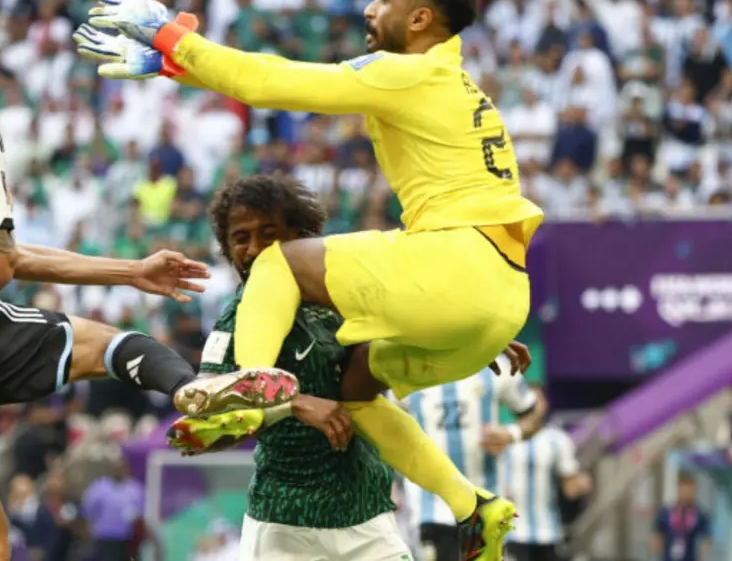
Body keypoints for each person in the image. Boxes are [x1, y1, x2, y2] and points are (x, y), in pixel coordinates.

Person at [76, 0, 544, 557]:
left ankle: (249, 381)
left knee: (279, 266)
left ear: (420, 18)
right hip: (494, 297)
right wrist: (176, 67)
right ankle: (473, 506)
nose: (371, 9)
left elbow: (271, 82)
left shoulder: (407, 73)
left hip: (456, 266)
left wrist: (176, 38)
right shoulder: (454, 83)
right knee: (356, 391)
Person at [0, 39, 294, 560]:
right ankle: (194, 389)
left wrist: (131, 272)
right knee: (112, 345)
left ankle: (195, 390)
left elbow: (4, 256)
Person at [168, 174, 413, 561]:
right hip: (285, 524)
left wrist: (469, 338)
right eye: (240, 238)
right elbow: (207, 408)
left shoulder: (341, 296)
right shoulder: (235, 321)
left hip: (366, 512)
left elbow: (410, 321)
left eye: (269, 234)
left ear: (299, 237)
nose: (254, 249)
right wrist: (293, 403)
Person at [398, 369, 547, 560]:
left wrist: (511, 433)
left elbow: (534, 416)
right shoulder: (406, 367)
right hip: (430, 505)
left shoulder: (496, 366)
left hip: (485, 500)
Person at [501, 425, 592, 561]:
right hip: (512, 533)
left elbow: (570, 489)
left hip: (548, 532)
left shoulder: (557, 439)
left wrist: (581, 484)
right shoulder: (503, 435)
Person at [651, 472, 712, 561]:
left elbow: (707, 539)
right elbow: (656, 534)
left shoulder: (700, 515)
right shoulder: (666, 513)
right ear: (678, 489)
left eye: (690, 490)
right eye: (683, 489)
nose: (686, 493)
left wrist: (704, 550)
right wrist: (656, 546)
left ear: (694, 491)